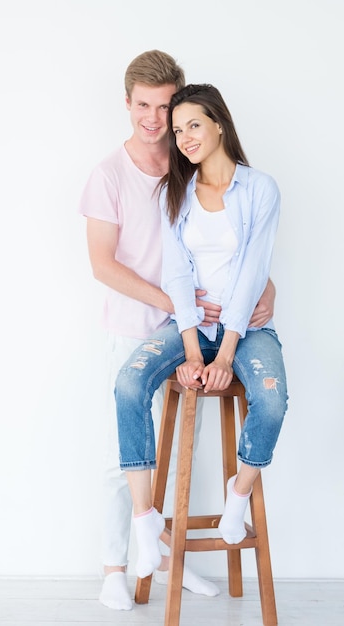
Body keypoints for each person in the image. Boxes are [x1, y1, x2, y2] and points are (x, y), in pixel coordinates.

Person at [79, 52, 276, 610]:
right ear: (127, 105)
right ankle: (116, 566)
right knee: (124, 454)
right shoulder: (109, 174)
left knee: (165, 454)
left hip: (194, 328)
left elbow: (232, 244)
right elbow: (103, 264)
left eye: (165, 107)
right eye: (143, 105)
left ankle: (166, 559)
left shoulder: (191, 161)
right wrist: (178, 302)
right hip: (138, 323)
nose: (154, 117)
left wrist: (267, 289)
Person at [114, 82, 288, 581]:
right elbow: (176, 275)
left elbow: (254, 271)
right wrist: (193, 350)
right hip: (189, 325)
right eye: (178, 130)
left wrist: (225, 354)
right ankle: (145, 522)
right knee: (129, 383)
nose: (185, 137)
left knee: (273, 401)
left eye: (194, 125)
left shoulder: (260, 188)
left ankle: (240, 493)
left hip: (247, 330)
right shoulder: (176, 190)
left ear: (219, 123)